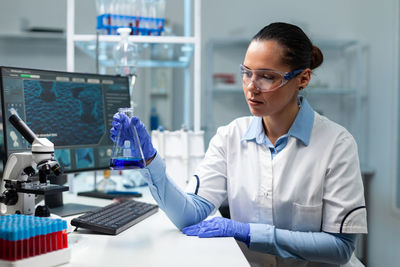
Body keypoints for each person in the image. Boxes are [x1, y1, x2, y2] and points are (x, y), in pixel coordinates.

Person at [110, 22, 367, 267]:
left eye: (267, 76)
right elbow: (189, 215)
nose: (251, 88)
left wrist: (246, 232)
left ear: (303, 78)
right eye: (246, 73)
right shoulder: (230, 136)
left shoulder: (337, 144)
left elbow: (340, 247)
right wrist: (150, 160)